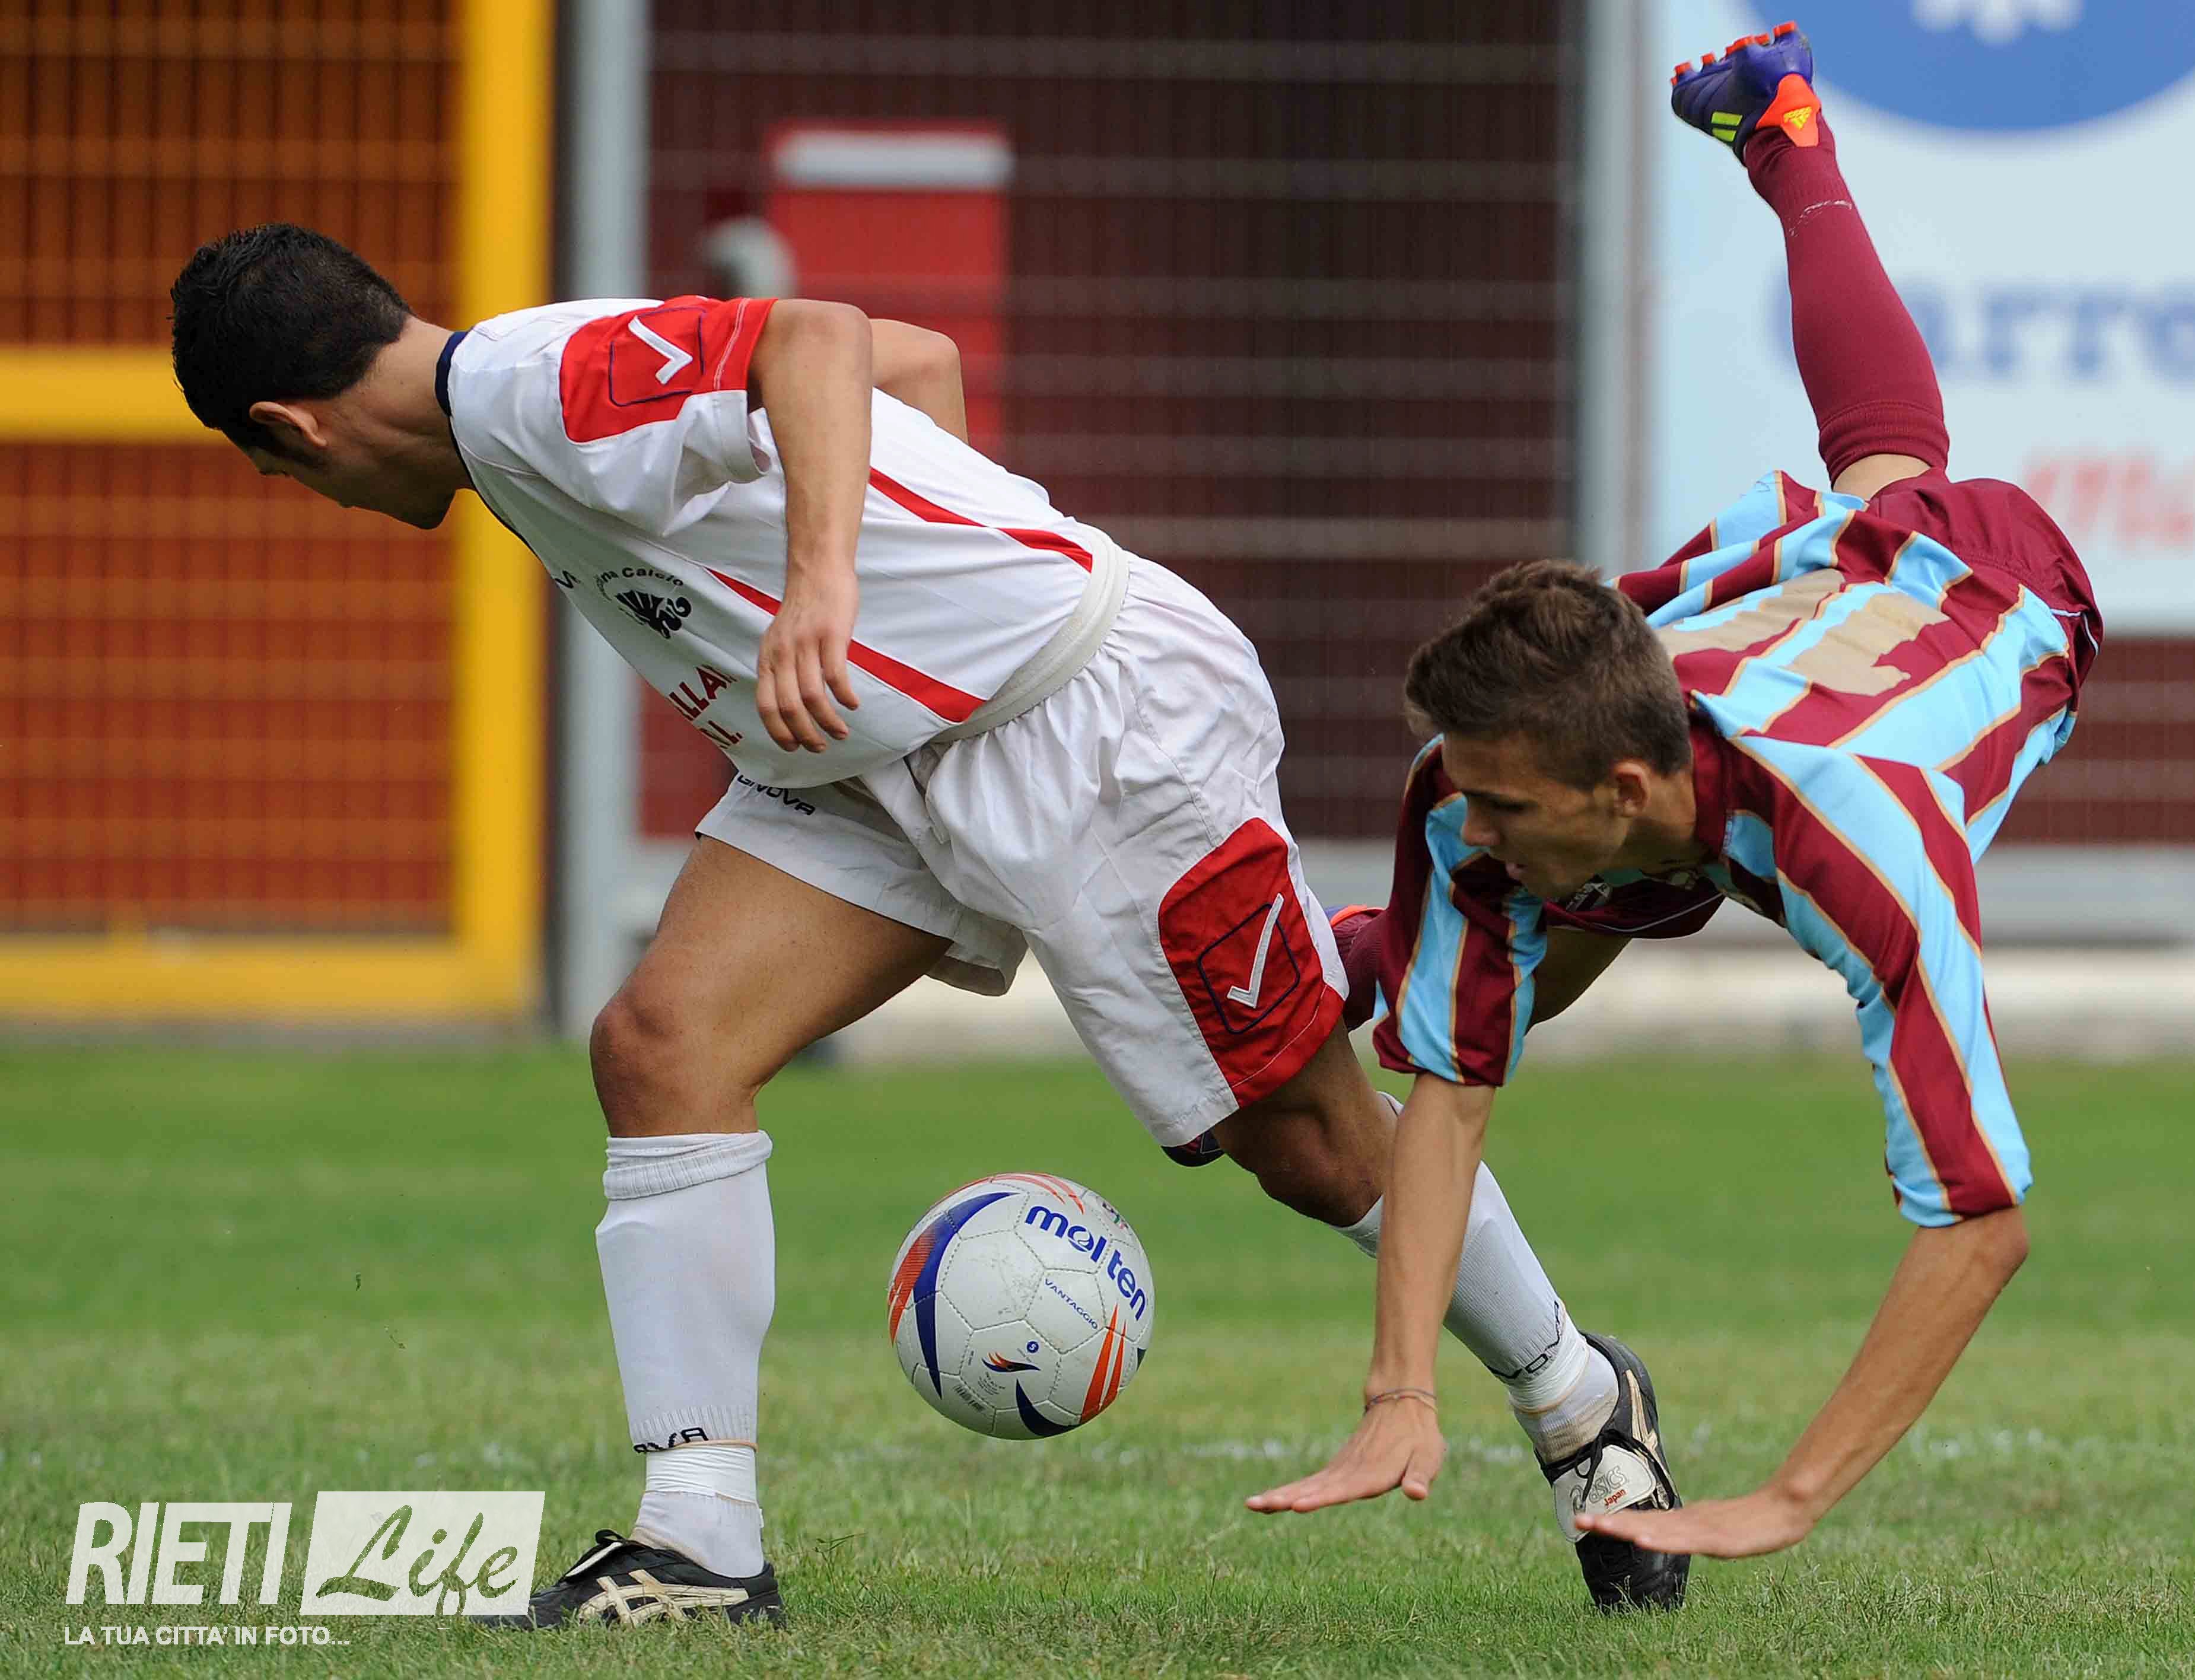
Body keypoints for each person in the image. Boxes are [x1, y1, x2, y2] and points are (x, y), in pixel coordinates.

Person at [165, 237, 1691, 1621]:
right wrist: (924, 557)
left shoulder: (521, 388)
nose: (308, 493)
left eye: (277, 472)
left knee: (1306, 1144)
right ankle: (699, 1544)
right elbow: (914, 367)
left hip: (1094, 729)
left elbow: (815, 338)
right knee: (662, 1048)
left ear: (291, 431)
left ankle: (1579, 1402)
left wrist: (831, 587)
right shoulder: (512, 412)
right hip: (879, 757)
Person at [1249, 21, 2104, 1571]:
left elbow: (1983, 1222)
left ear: (1630, 779)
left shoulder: (1867, 844)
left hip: (1986, 594)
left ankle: (1790, 148)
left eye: (1504, 807)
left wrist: (1787, 1499)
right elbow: (1450, 1098)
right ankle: (1786, 136)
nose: (1469, 822)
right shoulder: (1492, 781)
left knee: (1899, 478)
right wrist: (1395, 1393)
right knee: (1511, 950)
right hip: (1739, 623)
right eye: (1474, 801)